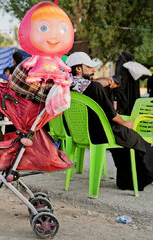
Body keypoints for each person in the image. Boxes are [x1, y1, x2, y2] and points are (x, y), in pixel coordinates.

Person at [66, 51, 153, 191]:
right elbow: (111, 113)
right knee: (135, 139)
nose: (93, 70)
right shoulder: (93, 87)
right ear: (78, 69)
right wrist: (125, 123)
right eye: (89, 67)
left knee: (123, 143)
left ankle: (127, 181)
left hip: (82, 133)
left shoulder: (67, 87)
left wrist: (101, 81)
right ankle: (138, 178)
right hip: (101, 133)